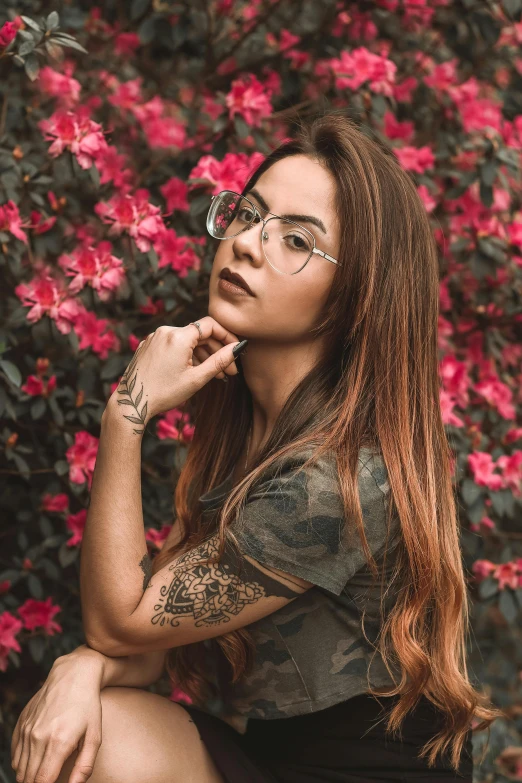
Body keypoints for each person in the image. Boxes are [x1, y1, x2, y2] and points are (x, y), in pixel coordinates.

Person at [11, 110, 502, 783]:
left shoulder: (336, 481)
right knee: (96, 722)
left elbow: (119, 623)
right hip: (271, 760)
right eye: (247, 216)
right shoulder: (252, 438)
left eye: (295, 238)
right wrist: (82, 665)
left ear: (354, 294)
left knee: (104, 731)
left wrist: (125, 415)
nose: (247, 244)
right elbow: (143, 642)